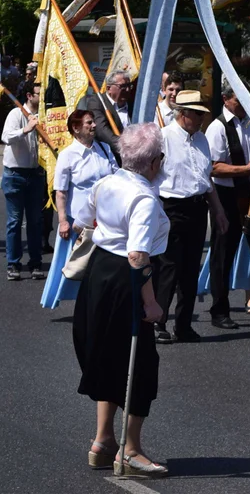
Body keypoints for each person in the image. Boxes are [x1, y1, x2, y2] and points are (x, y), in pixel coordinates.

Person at [72, 124, 171, 478]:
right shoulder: (144, 197)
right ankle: (130, 450)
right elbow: (137, 256)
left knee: (109, 356)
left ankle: (102, 441)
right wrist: (151, 302)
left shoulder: (106, 182)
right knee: (138, 365)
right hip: (128, 281)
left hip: (100, 273)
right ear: (153, 162)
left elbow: (84, 219)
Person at [205, 75, 250, 330]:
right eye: (239, 99)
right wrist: (247, 169)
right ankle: (220, 310)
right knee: (223, 255)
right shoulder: (217, 127)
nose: (245, 103)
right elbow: (214, 168)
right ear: (226, 100)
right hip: (228, 198)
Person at [153, 92, 229, 344]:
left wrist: (217, 210)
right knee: (168, 268)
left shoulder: (201, 140)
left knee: (189, 270)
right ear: (183, 113)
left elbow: (206, 180)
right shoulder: (163, 137)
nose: (202, 118)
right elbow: (151, 174)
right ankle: (158, 321)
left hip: (197, 208)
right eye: (197, 113)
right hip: (171, 207)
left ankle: (183, 325)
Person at [41, 110, 117, 308]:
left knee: (101, 264)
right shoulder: (67, 155)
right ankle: (80, 303)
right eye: (89, 123)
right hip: (79, 222)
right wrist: (64, 221)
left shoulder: (105, 148)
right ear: (76, 128)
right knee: (75, 265)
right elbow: (61, 192)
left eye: (93, 123)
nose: (94, 126)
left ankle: (98, 301)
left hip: (105, 219)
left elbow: (117, 177)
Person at [3, 82, 46, 281]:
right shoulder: (16, 114)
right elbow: (5, 137)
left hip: (35, 174)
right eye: (39, 92)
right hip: (15, 175)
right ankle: (13, 263)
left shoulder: (44, 114)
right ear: (29, 95)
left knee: (35, 221)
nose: (42, 95)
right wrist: (26, 129)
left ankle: (35, 262)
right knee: (14, 221)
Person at [81, 72, 131, 162]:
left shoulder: (133, 103)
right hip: (110, 158)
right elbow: (102, 131)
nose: (127, 90)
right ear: (109, 88)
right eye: (123, 86)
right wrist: (126, 148)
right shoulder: (97, 102)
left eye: (129, 85)